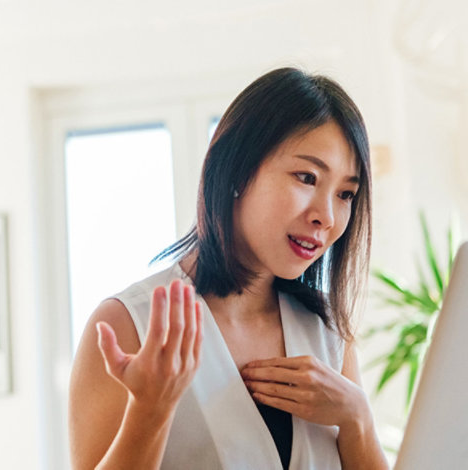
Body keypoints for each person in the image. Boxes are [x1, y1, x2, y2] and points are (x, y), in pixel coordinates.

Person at [68, 67, 390, 470]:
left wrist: (356, 419)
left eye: (345, 194)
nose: (326, 217)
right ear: (238, 169)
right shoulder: (128, 323)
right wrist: (149, 411)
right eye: (307, 177)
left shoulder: (326, 331)